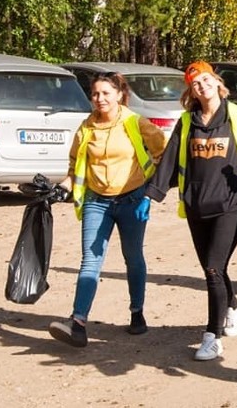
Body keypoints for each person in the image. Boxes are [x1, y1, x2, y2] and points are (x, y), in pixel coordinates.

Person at [145, 61, 237, 361]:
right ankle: (234, 306)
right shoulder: (187, 122)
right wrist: (151, 194)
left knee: (213, 267)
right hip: (196, 204)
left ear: (216, 81)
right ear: (192, 91)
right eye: (196, 83)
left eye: (206, 79)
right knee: (214, 268)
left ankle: (212, 336)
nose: (202, 86)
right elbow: (170, 159)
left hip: (231, 203)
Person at [48, 72, 166, 348]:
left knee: (133, 256)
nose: (99, 99)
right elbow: (75, 166)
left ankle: (137, 312)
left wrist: (151, 192)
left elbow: (164, 154)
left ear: (119, 95)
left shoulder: (135, 123)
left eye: (105, 93)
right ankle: (77, 322)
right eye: (95, 94)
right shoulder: (86, 127)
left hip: (132, 200)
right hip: (96, 201)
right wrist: (61, 188)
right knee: (90, 261)